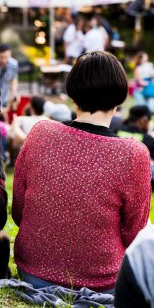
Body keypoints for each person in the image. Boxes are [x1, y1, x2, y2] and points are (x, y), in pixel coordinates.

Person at [12, 51, 151, 292]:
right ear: (120, 98)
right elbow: (135, 234)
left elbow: (19, 211)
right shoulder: (133, 154)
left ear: (72, 92)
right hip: (102, 282)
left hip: (32, 271)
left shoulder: (40, 133)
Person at [115, 225, 154, 308]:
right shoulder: (146, 246)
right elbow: (131, 236)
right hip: (110, 279)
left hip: (83, 281)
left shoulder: (145, 244)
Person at [116, 105, 154, 186]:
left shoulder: (116, 131)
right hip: (136, 181)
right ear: (144, 119)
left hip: (115, 175)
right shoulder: (147, 139)